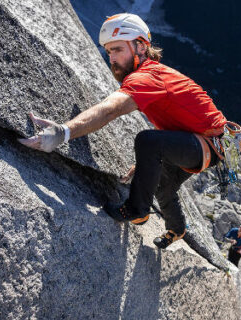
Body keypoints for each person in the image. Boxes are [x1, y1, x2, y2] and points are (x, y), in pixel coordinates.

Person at [18, 13, 228, 249]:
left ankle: (136, 210)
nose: (112, 58)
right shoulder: (154, 73)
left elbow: (110, 110)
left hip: (210, 142)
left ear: (141, 46)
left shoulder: (148, 77)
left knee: (148, 141)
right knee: (163, 187)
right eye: (108, 51)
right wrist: (146, 164)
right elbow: (176, 120)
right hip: (208, 140)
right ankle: (177, 229)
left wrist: (63, 132)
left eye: (118, 49)